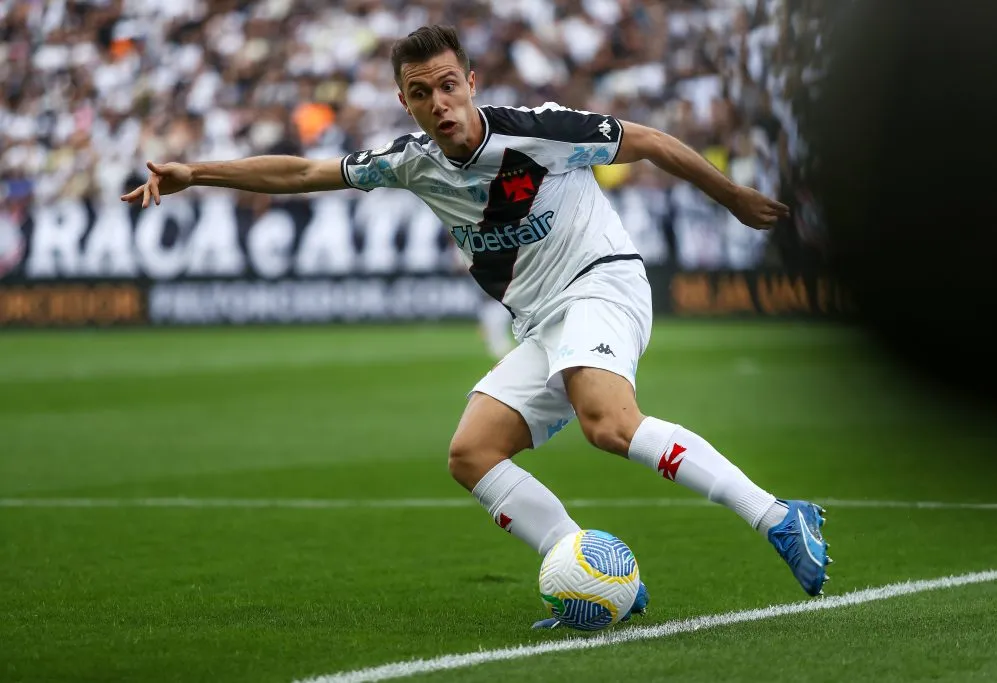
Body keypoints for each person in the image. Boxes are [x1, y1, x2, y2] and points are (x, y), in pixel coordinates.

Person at [122, 24, 831, 629]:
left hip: (602, 282)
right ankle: (593, 574)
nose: (439, 103)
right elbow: (303, 170)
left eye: (448, 86)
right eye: (421, 93)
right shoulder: (411, 163)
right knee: (471, 453)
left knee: (608, 423)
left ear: (470, 80)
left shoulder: (537, 130)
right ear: (405, 100)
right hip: (541, 321)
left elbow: (645, 140)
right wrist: (199, 172)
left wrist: (732, 195)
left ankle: (776, 515)